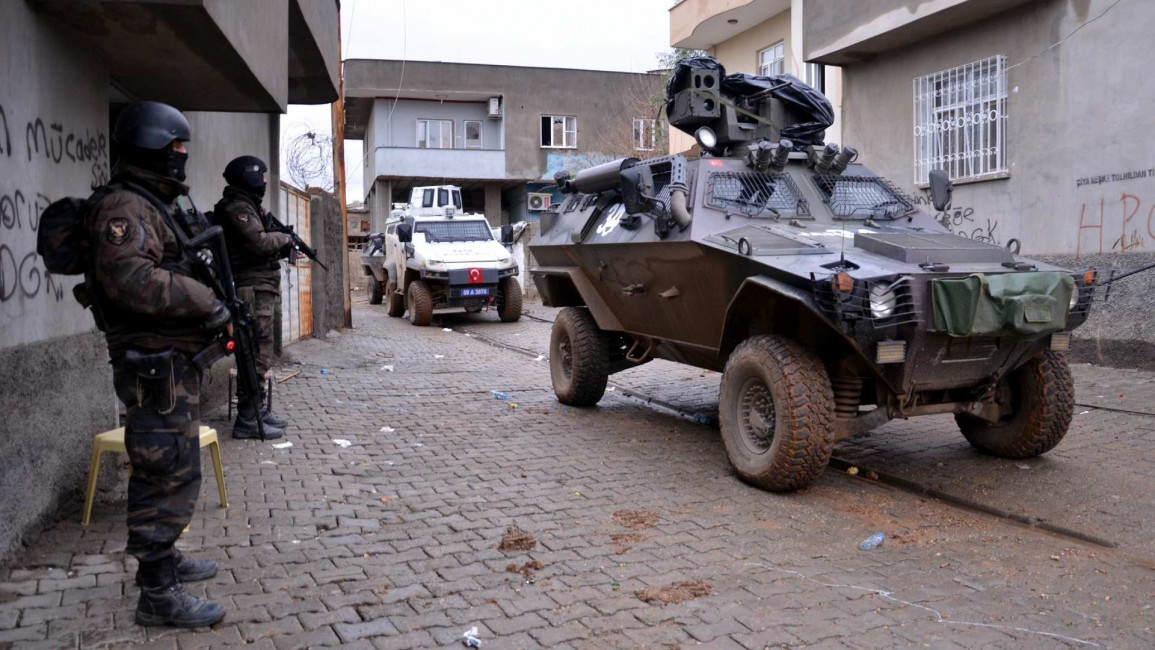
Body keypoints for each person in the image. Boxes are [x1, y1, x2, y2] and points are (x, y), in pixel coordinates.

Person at [86, 101, 228, 627]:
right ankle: (156, 593)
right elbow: (133, 281)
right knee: (163, 470)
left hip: (168, 360)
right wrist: (204, 301)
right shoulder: (124, 208)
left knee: (173, 463)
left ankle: (164, 558)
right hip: (152, 365)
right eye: (176, 148)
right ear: (152, 147)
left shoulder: (149, 202)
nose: (182, 158)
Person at [213, 156, 294, 439]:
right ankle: (248, 418)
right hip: (252, 287)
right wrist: (285, 240)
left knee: (263, 350)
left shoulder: (248, 204)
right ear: (248, 177)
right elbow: (258, 243)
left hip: (262, 286)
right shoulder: (237, 206)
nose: (263, 181)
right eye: (260, 176)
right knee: (255, 352)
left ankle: (257, 410)